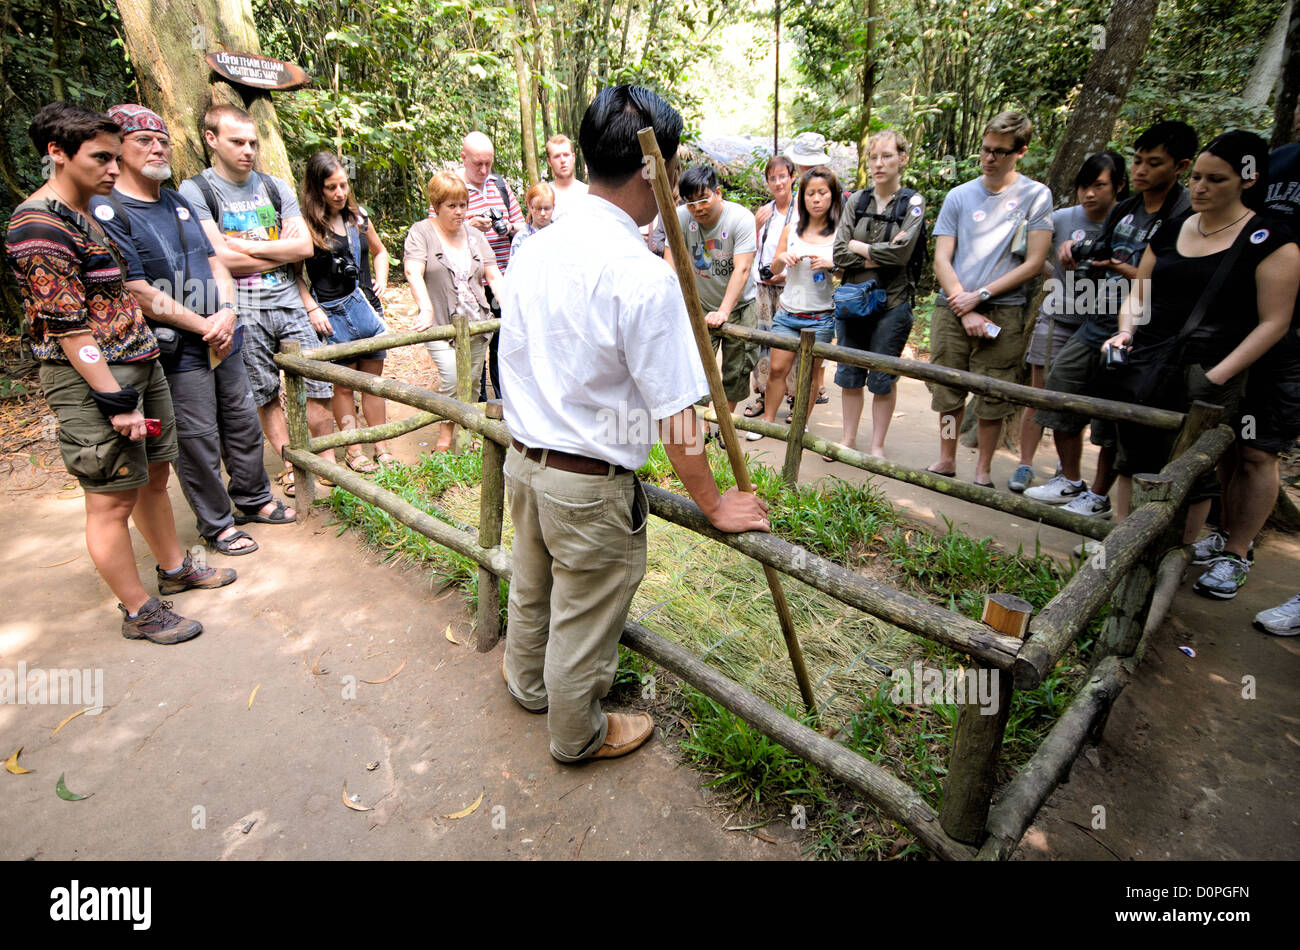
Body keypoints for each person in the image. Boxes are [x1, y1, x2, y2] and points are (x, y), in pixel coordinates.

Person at [498, 84, 770, 763]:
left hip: (525, 460)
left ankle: (527, 684)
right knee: (586, 617)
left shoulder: (534, 249)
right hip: (587, 483)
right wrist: (715, 502)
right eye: (673, 168)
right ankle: (576, 733)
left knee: (533, 588)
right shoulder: (642, 277)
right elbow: (679, 418)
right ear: (659, 167)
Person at [6, 102, 235, 643]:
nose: (113, 168)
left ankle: (175, 568)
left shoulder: (89, 210)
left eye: (115, 157)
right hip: (97, 379)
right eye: (101, 157)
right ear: (57, 154)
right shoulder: (37, 224)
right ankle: (138, 610)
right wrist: (113, 401)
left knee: (154, 476)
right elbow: (67, 326)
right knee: (111, 498)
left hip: (139, 361)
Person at [1102, 131, 1298, 603]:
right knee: (1133, 452)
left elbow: (1274, 322)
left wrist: (1219, 375)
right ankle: (1120, 547)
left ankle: (1193, 554)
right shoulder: (1172, 228)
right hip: (1151, 361)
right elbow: (1140, 293)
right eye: (1196, 178)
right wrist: (1126, 330)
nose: (1201, 188)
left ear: (1246, 181)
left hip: (1214, 369)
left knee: (1196, 465)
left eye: (1216, 179)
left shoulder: (1270, 240)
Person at [92, 104, 293, 558]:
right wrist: (203, 324)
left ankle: (254, 498)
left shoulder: (177, 200)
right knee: (197, 435)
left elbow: (215, 257)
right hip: (176, 347)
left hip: (222, 333)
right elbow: (136, 288)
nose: (157, 146)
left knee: (242, 420)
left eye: (161, 138)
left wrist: (225, 311)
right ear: (117, 148)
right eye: (143, 139)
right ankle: (217, 524)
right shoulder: (109, 210)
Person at [1028, 122, 1196, 515]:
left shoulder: (1184, 215)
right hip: (1098, 321)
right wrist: (1076, 247)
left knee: (1113, 421)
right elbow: (1100, 253)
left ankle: (1100, 496)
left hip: (1145, 335)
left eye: (1154, 163)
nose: (1141, 170)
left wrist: (1126, 270)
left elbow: (1176, 281)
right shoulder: (1126, 208)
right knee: (1059, 390)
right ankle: (1070, 480)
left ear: (1180, 166)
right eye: (1137, 161)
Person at [179, 104, 332, 499]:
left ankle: (327, 459)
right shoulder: (196, 190)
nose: (248, 150)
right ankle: (290, 463)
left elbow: (303, 247)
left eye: (252, 142)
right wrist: (273, 249)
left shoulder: (274, 186)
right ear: (212, 140)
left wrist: (244, 245)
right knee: (264, 392)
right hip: (242, 308)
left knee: (316, 382)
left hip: (290, 300)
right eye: (237, 142)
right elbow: (220, 258)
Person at [1190, 114, 1300, 605]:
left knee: (1258, 448)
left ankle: (1237, 551)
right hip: (1231, 328)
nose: (1204, 186)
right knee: (1229, 443)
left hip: (1285, 337)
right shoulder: (1278, 159)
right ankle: (1222, 530)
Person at [927, 112, 1053, 487]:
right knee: (947, 388)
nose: (989, 158)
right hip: (953, 308)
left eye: (999, 152)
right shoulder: (959, 195)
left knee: (992, 390)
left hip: (1005, 310)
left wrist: (979, 297)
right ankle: (946, 458)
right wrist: (962, 304)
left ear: (1020, 152)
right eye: (985, 149)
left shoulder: (1036, 196)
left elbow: (1034, 262)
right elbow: (941, 258)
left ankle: (983, 468)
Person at [1010, 150, 1127, 494]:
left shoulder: (1126, 223)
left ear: (1119, 186)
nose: (1089, 194)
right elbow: (1026, 251)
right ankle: (1025, 464)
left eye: (1099, 186)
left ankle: (1066, 469)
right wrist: (1056, 275)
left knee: (1083, 400)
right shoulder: (1061, 218)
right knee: (1041, 394)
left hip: (1103, 325)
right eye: (1083, 186)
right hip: (1058, 318)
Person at [296, 151, 396, 473]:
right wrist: (311, 308)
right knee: (343, 386)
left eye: (344, 185)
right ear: (317, 189)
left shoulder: (359, 217)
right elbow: (295, 275)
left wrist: (380, 279)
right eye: (331, 187)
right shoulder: (306, 226)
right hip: (331, 314)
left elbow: (380, 252)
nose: (340, 193)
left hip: (367, 308)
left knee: (373, 382)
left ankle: (380, 445)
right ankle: (354, 450)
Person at [832, 130, 926, 458]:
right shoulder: (855, 201)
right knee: (849, 373)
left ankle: (877, 447)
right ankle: (847, 439)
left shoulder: (913, 203)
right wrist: (874, 251)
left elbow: (903, 254)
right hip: (853, 303)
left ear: (902, 159)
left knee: (882, 377)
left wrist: (862, 247)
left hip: (893, 303)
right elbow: (839, 252)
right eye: (873, 157)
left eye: (886, 156)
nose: (878, 163)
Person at [404, 170, 503, 451]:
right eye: (452, 206)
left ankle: (465, 437)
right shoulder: (421, 232)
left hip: (475, 322)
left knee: (470, 384)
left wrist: (510, 307)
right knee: (451, 377)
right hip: (439, 322)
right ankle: (445, 437)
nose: (459, 212)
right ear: (436, 205)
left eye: (463, 205)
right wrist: (424, 309)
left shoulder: (474, 237)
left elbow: (493, 277)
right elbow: (413, 271)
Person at [664, 165, 761, 439]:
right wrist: (676, 301)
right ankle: (704, 426)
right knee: (697, 366)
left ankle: (724, 422)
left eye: (703, 199)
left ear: (718, 193)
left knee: (737, 367)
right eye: (690, 202)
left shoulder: (740, 218)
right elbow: (671, 258)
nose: (698, 208)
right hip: (700, 303)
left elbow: (742, 269)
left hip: (740, 305)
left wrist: (724, 311)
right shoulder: (681, 217)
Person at [760, 165, 841, 440]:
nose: (816, 199)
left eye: (822, 193)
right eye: (810, 194)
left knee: (811, 375)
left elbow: (846, 272)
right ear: (802, 197)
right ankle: (768, 423)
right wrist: (783, 259)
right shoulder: (791, 229)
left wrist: (832, 264)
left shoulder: (839, 232)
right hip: (787, 312)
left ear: (832, 196)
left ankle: (800, 426)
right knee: (777, 369)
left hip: (821, 316)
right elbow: (773, 264)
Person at [460, 131, 525, 401]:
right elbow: (435, 235)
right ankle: (477, 403)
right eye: (478, 164)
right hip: (470, 284)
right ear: (463, 158)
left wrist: (507, 227)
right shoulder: (451, 188)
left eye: (489, 163)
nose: (484, 170)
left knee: (502, 343)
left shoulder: (500, 186)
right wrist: (468, 227)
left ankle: (502, 401)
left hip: (503, 278)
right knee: (476, 343)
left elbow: (522, 226)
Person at [745, 155, 796, 420]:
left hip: (791, 286)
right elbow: (750, 250)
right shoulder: (765, 212)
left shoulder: (802, 212)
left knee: (791, 342)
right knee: (763, 340)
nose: (778, 183)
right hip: (763, 287)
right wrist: (755, 225)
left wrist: (784, 273)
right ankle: (763, 395)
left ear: (792, 177)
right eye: (772, 178)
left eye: (782, 176)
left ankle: (794, 399)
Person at [543, 134, 587, 218]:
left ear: (573, 157)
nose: (563, 160)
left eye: (566, 155)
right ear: (549, 162)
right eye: (556, 157)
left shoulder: (588, 192)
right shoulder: (543, 195)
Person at [509, 181, 555, 256]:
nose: (543, 213)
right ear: (530, 207)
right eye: (538, 208)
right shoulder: (521, 239)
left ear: (553, 206)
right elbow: (515, 266)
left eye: (547, 208)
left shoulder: (561, 234)